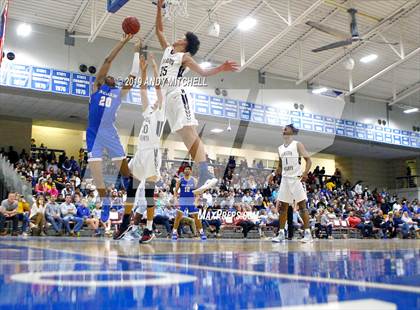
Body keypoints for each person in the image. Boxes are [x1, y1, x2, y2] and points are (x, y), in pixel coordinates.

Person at [154, 0, 238, 194]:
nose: (179, 38)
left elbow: (203, 73)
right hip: (168, 101)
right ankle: (202, 173)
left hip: (178, 95)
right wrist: (159, 7)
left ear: (185, 45)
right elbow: (159, 30)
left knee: (190, 133)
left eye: (182, 38)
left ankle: (206, 172)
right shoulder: (168, 50)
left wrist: (221, 68)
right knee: (185, 138)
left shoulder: (185, 58)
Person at [118, 53, 165, 244]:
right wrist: (143, 71)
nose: (153, 102)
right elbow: (143, 91)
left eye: (156, 102)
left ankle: (149, 229)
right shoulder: (148, 112)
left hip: (152, 154)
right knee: (131, 190)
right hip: (140, 153)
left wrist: (154, 67)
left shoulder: (161, 113)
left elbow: (157, 89)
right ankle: (125, 224)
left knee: (148, 193)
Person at [87, 34, 141, 199]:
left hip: (109, 131)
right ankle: (104, 201)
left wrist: (137, 53)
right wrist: (123, 41)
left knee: (125, 171)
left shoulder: (118, 93)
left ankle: (129, 182)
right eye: (108, 76)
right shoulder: (97, 87)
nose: (111, 76)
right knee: (96, 173)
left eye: (112, 77)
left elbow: (133, 76)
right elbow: (107, 61)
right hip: (93, 132)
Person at [271, 124, 313, 243]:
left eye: (286, 128)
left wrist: (305, 173)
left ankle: (308, 234)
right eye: (283, 129)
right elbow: (280, 167)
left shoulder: (297, 144)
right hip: (285, 179)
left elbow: (309, 160)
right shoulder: (280, 148)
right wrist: (273, 175)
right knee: (283, 208)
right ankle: (281, 233)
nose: (283, 130)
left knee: (302, 207)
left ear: (292, 132)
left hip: (296, 178)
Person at [172, 164, 206, 240]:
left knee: (197, 218)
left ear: (191, 171)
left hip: (191, 200)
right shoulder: (180, 180)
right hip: (182, 200)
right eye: (185, 169)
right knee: (178, 217)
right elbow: (176, 191)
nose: (187, 170)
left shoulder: (194, 180)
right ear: (183, 171)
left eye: (188, 169)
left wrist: (196, 201)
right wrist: (175, 199)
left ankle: (201, 233)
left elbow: (198, 193)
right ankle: (174, 233)